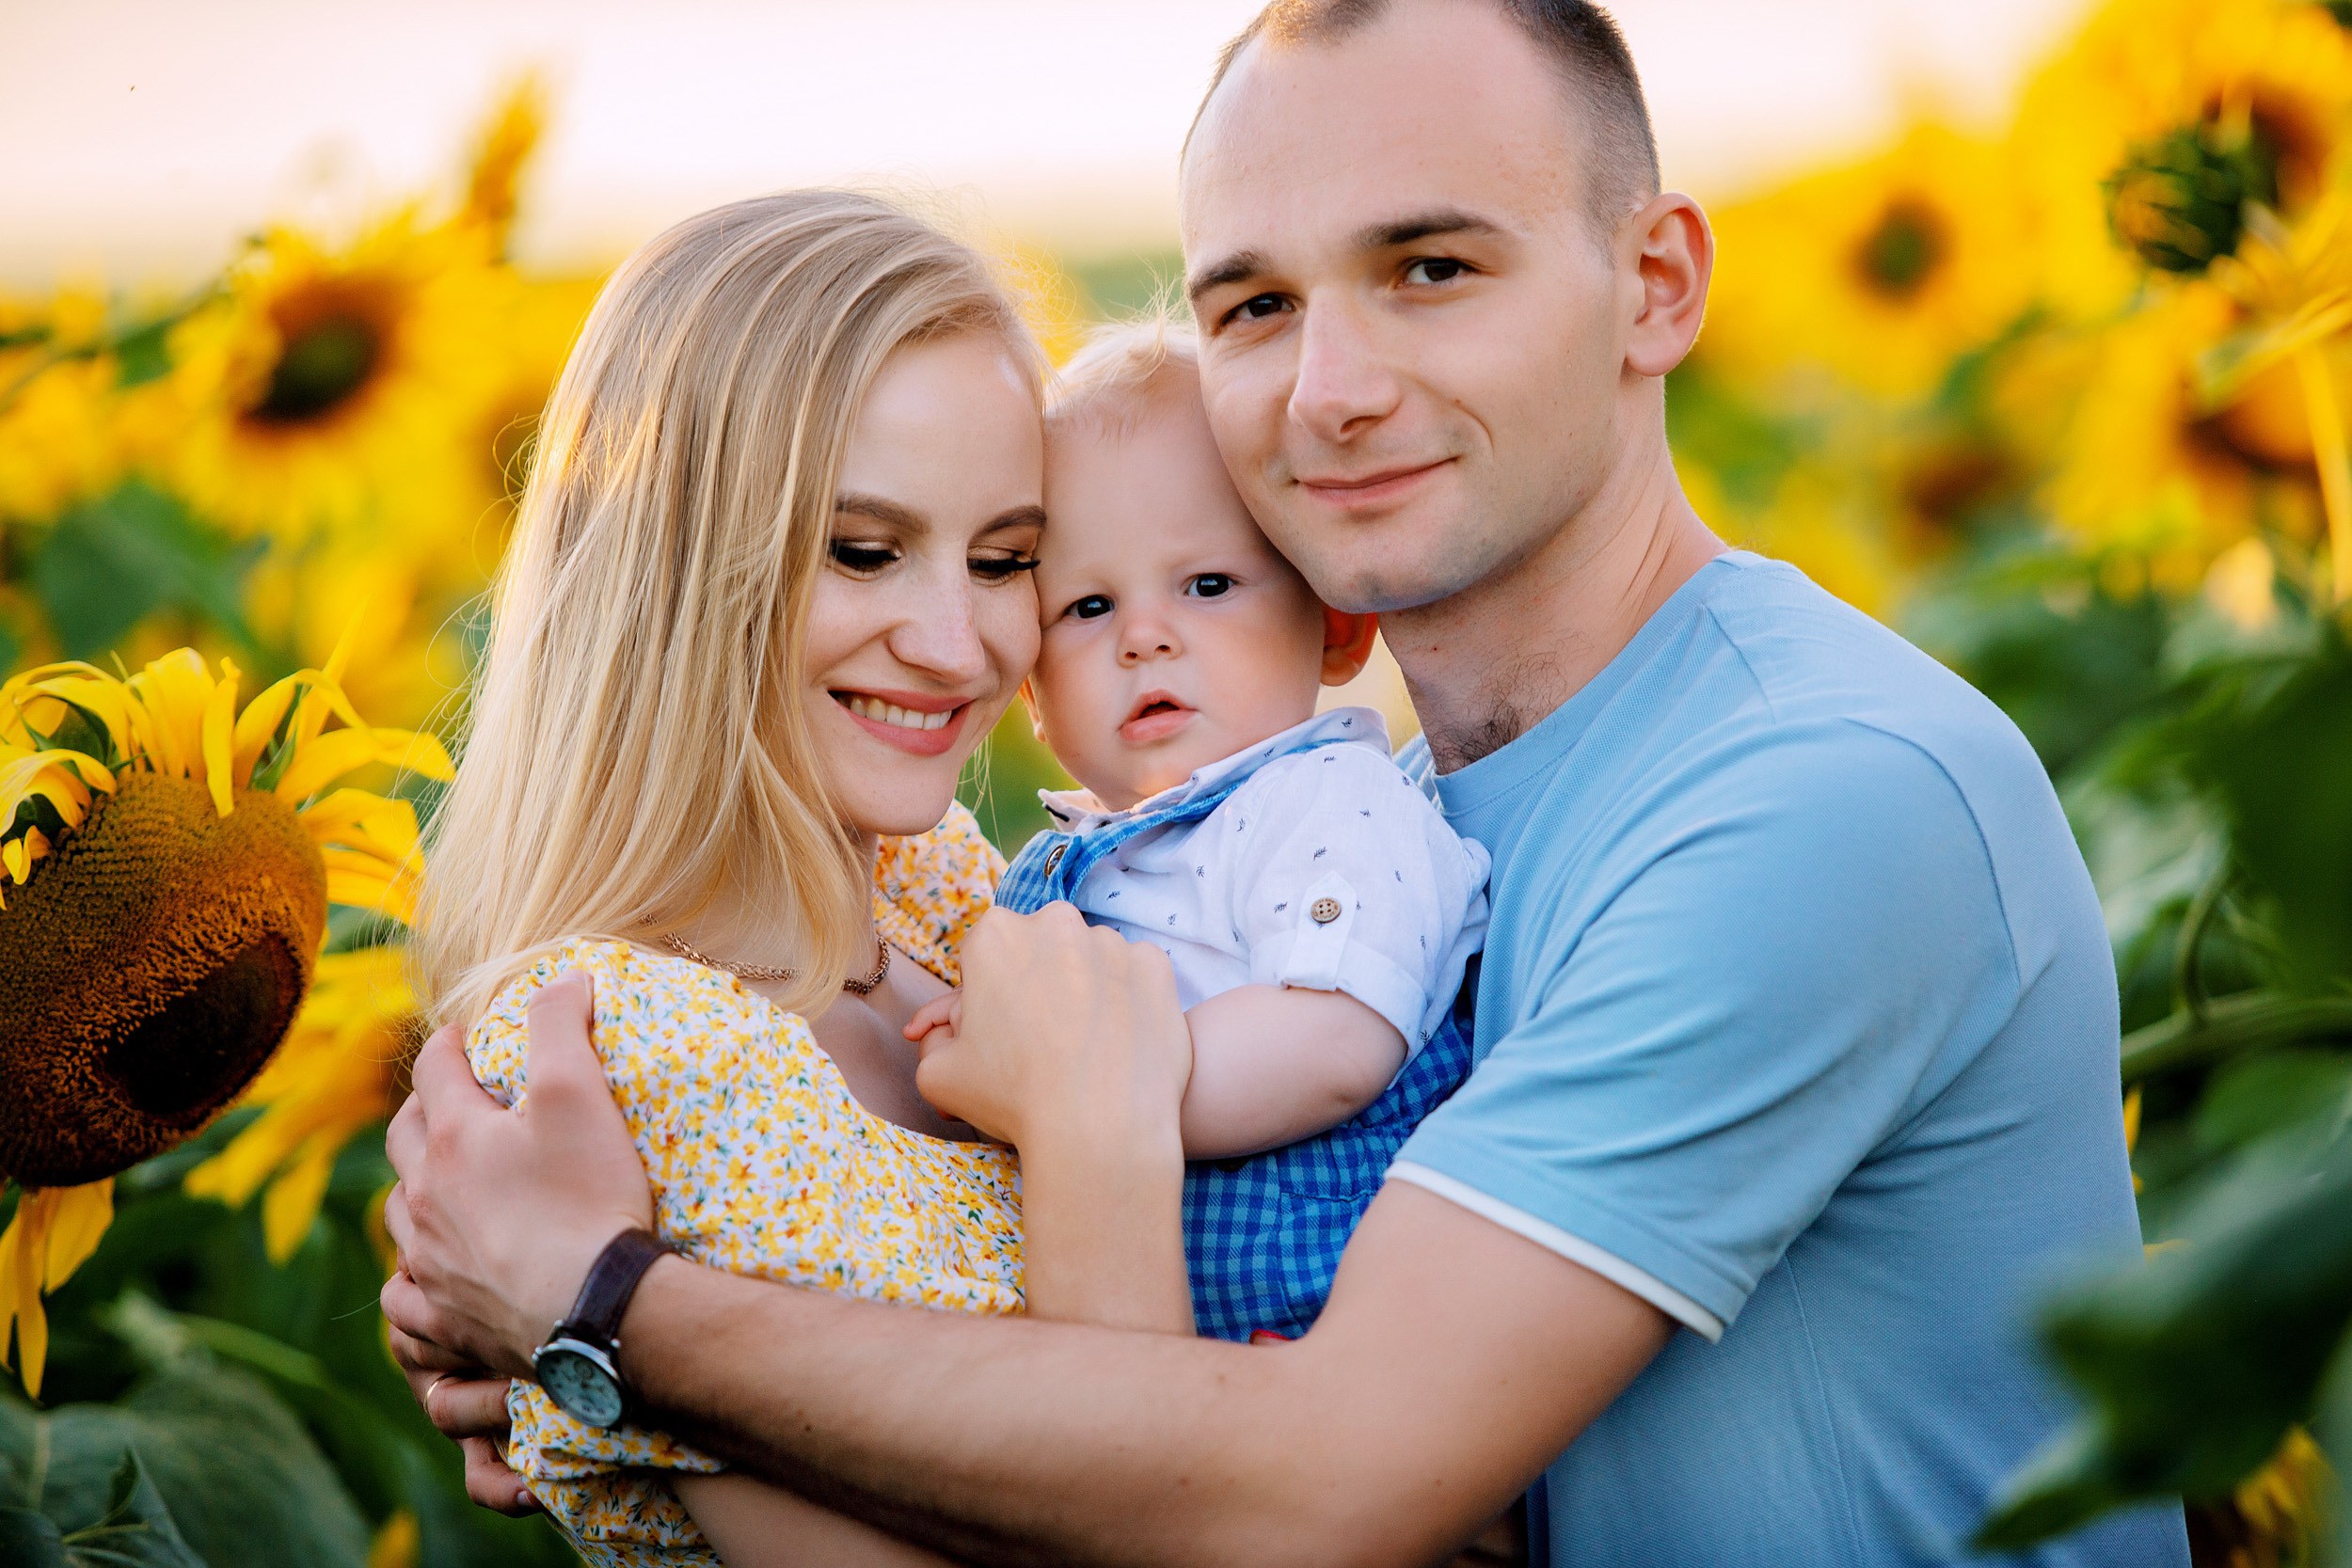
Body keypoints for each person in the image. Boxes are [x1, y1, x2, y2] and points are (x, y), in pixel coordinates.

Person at [383, 3, 2194, 1563]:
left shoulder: (1810, 797)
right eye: (1252, 304)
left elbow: (1314, 1490)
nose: (1328, 389)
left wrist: (605, 1314)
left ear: (1654, 287)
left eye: (1432, 268)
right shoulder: (1350, 821)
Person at [406, 190, 1195, 1567]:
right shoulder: (611, 1051)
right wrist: (1097, 1146)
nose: (961, 646)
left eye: (1005, 558)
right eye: (863, 548)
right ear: (671, 565)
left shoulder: (935, 889)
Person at [946, 318, 1488, 1340]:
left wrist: (1061, 1090)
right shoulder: (1057, 867)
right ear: (1031, 688)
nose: (1146, 635)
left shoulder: (1329, 805)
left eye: (1206, 584)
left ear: (1334, 623)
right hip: (1130, 1327)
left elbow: (1332, 1037)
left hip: (1318, 1340)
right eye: (1089, 604)